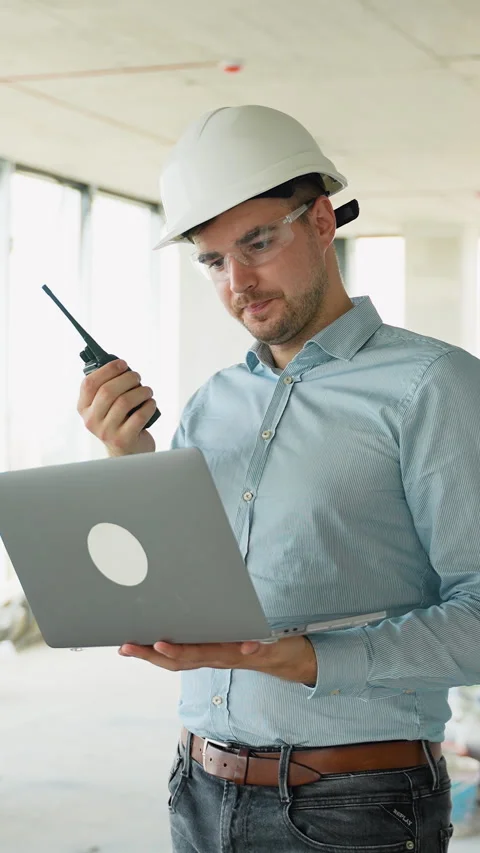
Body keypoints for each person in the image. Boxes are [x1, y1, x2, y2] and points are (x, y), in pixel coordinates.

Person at [77, 105, 480, 852]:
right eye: (212, 261)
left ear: (322, 222)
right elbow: (184, 587)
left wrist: (314, 659)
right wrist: (126, 461)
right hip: (198, 787)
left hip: (355, 805)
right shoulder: (214, 403)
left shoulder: (433, 386)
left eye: (258, 243)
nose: (238, 282)